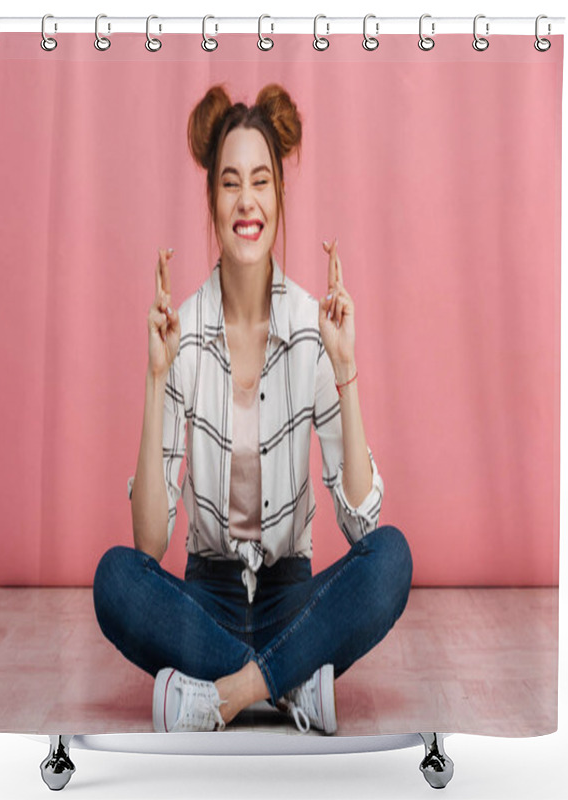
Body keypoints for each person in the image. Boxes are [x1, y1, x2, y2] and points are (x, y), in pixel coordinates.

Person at [92, 83, 412, 735]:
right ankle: (289, 684)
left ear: (277, 199)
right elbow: (149, 544)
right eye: (231, 182)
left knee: (392, 557)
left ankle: (225, 693)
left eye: (261, 182)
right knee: (115, 580)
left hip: (293, 596)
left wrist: (346, 370)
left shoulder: (310, 326)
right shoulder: (180, 332)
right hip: (203, 601)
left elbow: (360, 528)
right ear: (212, 200)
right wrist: (156, 378)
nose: (246, 199)